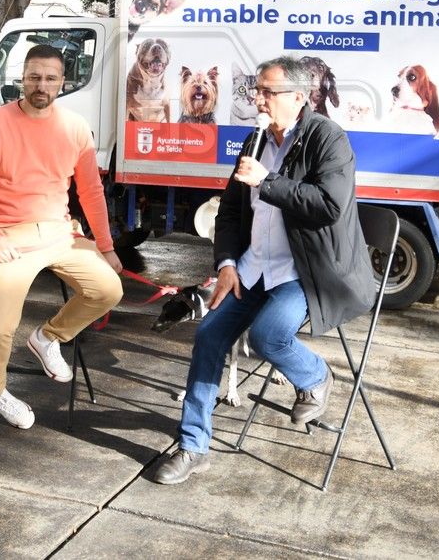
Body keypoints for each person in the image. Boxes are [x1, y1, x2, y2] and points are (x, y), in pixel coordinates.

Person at [153, 55, 378, 484]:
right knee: (208, 336)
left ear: (299, 97)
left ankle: (316, 376)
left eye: (268, 92)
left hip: (305, 271)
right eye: (256, 90)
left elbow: (329, 205)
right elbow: (229, 213)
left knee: (267, 335)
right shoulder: (255, 140)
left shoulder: (327, 138)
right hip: (253, 267)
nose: (258, 99)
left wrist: (267, 181)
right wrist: (226, 264)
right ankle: (193, 446)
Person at [0, 44, 124, 429]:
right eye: (34, 77)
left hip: (59, 233)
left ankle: (48, 338)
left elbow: (91, 192)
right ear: (22, 79)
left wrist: (106, 246)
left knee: (108, 290)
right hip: (8, 237)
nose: (41, 85)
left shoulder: (75, 128)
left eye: (50, 78)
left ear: (62, 82)